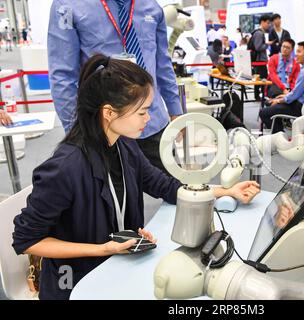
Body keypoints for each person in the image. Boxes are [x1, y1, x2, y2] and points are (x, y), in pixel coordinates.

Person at [12, 54, 261, 300]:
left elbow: (164, 185)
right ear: (109, 112)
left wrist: (225, 192)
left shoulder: (125, 146)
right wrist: (103, 249)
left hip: (116, 267)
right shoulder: (65, 168)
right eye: (142, 112)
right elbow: (26, 240)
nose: (149, 118)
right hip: (76, 284)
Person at [48, 0, 183, 173]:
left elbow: (163, 63)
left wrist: (176, 111)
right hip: (106, 127)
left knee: (177, 189)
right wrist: (78, 130)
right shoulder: (67, 6)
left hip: (152, 122)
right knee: (115, 197)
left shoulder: (151, 6)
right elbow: (63, 75)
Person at [260, 41, 304, 133]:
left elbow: (296, 93)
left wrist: (280, 100)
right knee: (273, 104)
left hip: (299, 106)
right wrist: (284, 97)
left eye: (299, 51)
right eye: (296, 51)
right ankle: (279, 134)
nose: (296, 54)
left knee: (264, 112)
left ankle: (279, 137)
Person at [249, 14, 273, 100]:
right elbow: (258, 47)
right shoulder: (259, 33)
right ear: (262, 22)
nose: (269, 25)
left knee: (258, 78)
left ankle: (258, 96)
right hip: (259, 60)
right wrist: (267, 44)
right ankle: (261, 96)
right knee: (262, 79)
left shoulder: (257, 32)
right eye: (267, 23)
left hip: (258, 60)